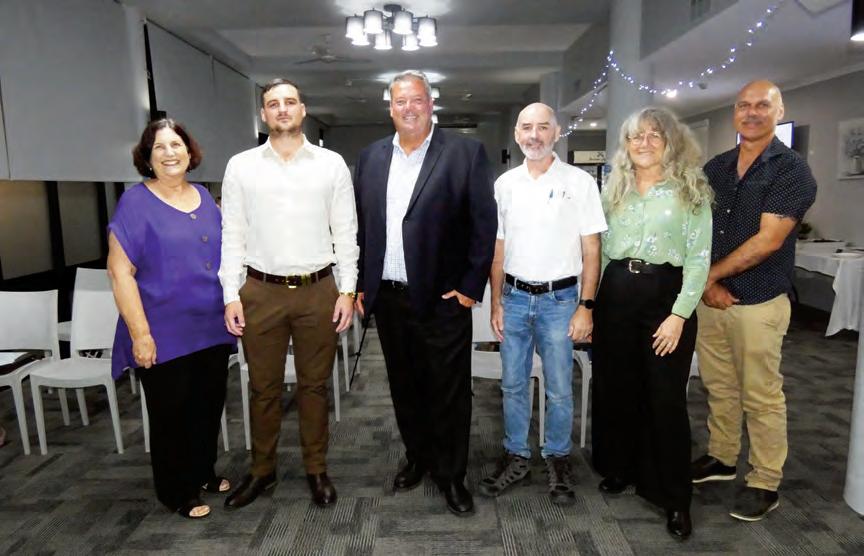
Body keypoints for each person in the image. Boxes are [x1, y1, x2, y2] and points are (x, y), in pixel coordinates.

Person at [353, 70, 497, 516]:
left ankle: (451, 474)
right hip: (389, 298)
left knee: (448, 391)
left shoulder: (465, 153)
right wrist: (360, 284)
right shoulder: (371, 157)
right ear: (390, 108)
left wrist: (470, 287)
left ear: (431, 104)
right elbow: (362, 227)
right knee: (405, 386)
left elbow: (484, 224)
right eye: (400, 101)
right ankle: (417, 457)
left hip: (443, 297)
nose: (409, 108)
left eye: (417, 99)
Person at [219, 78, 358, 510]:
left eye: (290, 102)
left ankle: (317, 468)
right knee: (263, 389)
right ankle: (262, 470)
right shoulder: (241, 166)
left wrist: (348, 289)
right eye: (273, 104)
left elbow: (346, 232)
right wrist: (230, 293)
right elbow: (232, 234)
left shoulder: (331, 164)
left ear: (302, 109)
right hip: (260, 291)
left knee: (314, 387)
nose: (282, 109)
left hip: (319, 290)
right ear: (264, 114)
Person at [691, 80, 817, 522]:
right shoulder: (717, 167)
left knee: (761, 395)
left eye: (763, 105)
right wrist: (706, 286)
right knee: (719, 386)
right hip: (711, 300)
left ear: (779, 111)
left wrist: (708, 276)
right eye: (744, 105)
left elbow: (768, 241)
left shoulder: (791, 170)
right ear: (735, 113)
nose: (752, 112)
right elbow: (697, 228)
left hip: (759, 301)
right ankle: (722, 456)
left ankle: (765, 480)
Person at [591, 107, 713, 540]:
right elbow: (601, 251)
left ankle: (674, 497)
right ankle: (622, 468)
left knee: (665, 398)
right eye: (635, 136)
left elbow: (699, 259)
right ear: (625, 145)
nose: (643, 143)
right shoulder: (613, 190)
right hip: (616, 294)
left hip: (665, 296)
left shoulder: (691, 189)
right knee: (618, 389)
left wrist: (679, 315)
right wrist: (590, 305)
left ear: (670, 141)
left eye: (653, 135)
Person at [108, 118, 236, 519]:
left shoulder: (205, 197)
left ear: (189, 152)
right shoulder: (135, 203)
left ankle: (202, 471)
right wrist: (140, 334)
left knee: (207, 406)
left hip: (210, 325)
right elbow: (120, 272)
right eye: (159, 147)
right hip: (161, 330)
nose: (169, 153)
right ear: (147, 158)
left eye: (176, 145)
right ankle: (176, 490)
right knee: (171, 414)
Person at [478, 103, 605, 505]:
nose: (534, 135)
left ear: (557, 132)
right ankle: (516, 454)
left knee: (560, 389)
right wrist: (495, 303)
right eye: (527, 128)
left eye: (543, 127)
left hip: (561, 301)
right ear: (517, 134)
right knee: (513, 384)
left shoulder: (580, 182)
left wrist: (586, 305)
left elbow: (592, 249)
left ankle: (557, 457)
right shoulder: (504, 185)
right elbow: (498, 250)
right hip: (514, 299)